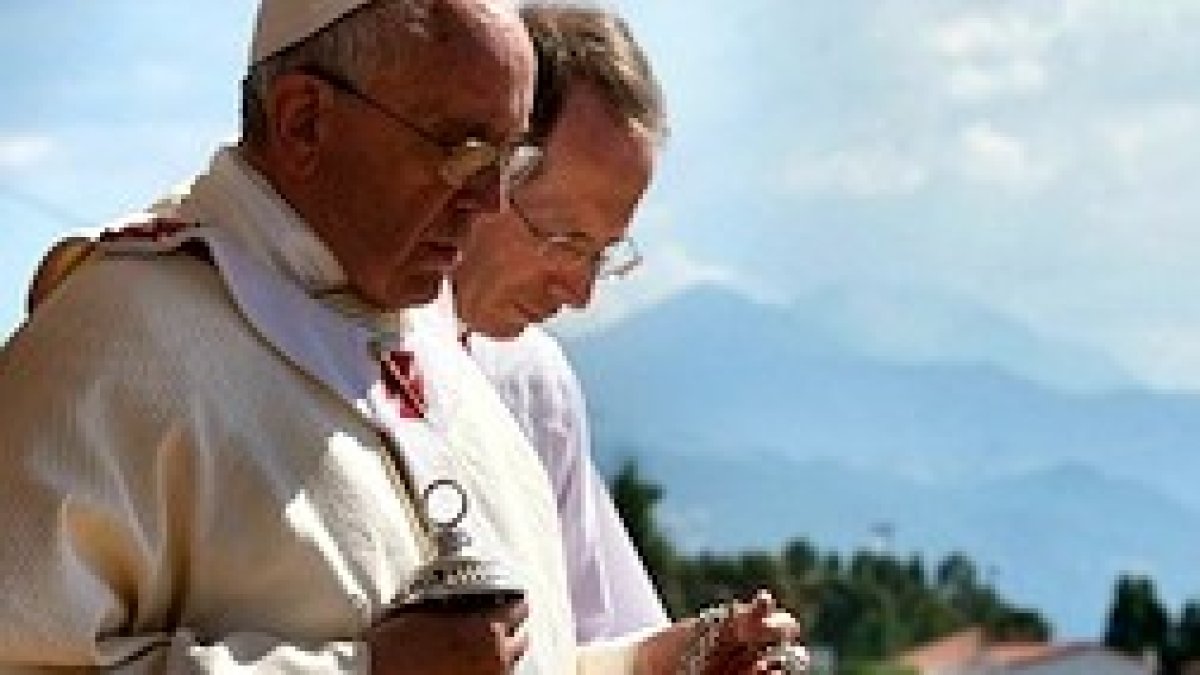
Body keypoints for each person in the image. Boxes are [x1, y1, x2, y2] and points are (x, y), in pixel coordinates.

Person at [12, 1, 804, 672]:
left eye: (509, 157)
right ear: (304, 122)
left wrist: (655, 664)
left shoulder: (430, 341)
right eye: (462, 151)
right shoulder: (115, 343)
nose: (491, 201)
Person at [452, 5, 810, 673]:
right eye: (564, 241)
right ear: (479, 173)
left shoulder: (533, 383)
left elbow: (579, 647)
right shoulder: (317, 342)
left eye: (604, 254)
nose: (580, 292)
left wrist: (685, 657)